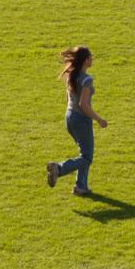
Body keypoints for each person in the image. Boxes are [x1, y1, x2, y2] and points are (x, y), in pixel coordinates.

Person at [47, 46, 107, 196]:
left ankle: (81, 186)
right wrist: (99, 119)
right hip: (81, 120)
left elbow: (69, 99)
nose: (92, 59)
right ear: (86, 60)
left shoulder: (71, 76)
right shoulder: (87, 80)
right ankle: (59, 169)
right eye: (90, 57)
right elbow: (83, 104)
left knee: (84, 153)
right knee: (87, 157)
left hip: (69, 117)